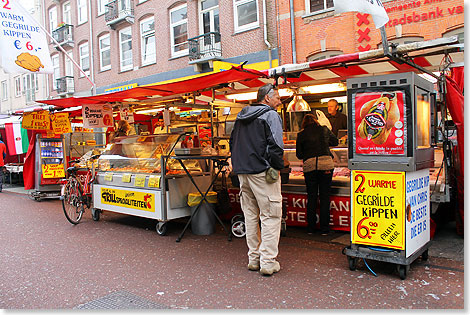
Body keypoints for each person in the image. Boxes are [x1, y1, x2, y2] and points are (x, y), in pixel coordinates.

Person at [230, 83, 284, 276]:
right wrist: (277, 166)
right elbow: (277, 145)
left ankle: (254, 258)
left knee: (250, 216)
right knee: (270, 215)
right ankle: (268, 262)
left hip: (243, 172)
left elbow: (232, 142)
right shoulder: (270, 115)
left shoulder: (240, 116)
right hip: (262, 172)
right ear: (267, 98)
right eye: (277, 97)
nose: (279, 100)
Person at [296, 113, 338, 235]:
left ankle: (311, 228)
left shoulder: (301, 134)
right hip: (326, 165)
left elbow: (299, 154)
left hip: (310, 167)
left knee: (312, 197)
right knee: (325, 197)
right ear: (316, 121)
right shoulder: (324, 129)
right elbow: (335, 142)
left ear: (304, 123)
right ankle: (325, 229)